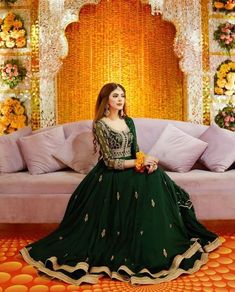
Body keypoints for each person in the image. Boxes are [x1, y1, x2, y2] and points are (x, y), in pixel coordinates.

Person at [19, 83, 221, 286]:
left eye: (122, 95)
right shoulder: (101, 124)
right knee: (143, 185)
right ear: (106, 99)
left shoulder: (129, 121)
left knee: (155, 176)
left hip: (133, 165)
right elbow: (110, 161)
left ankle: (155, 242)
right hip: (111, 174)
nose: (120, 99)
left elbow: (136, 150)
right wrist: (138, 163)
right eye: (115, 95)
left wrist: (147, 161)